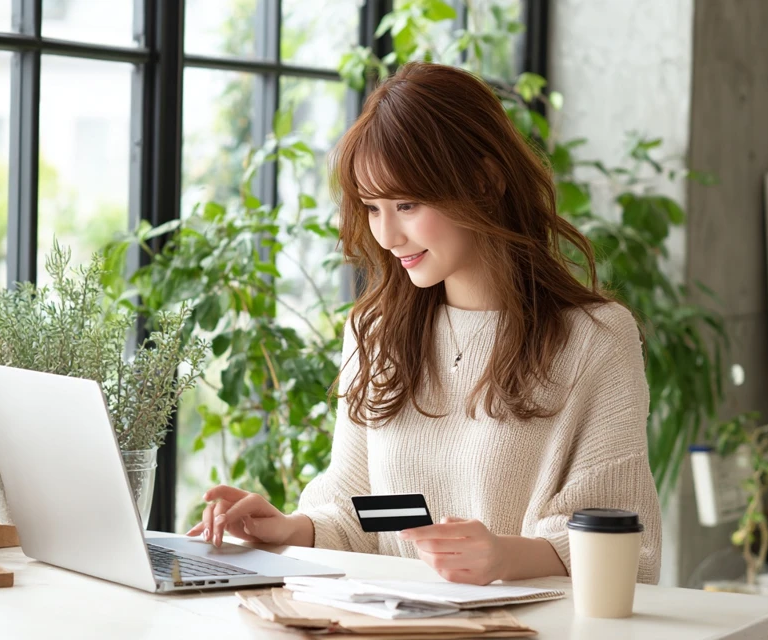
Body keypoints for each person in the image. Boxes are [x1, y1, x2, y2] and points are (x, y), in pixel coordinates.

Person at [186, 61, 662, 586]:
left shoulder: (595, 339)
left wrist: (506, 557)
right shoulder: (375, 331)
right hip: (381, 621)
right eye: (372, 207)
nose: (386, 236)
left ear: (484, 181)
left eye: (407, 204)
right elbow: (360, 513)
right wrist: (290, 530)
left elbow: (628, 546)